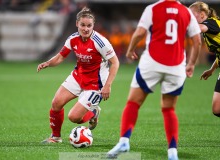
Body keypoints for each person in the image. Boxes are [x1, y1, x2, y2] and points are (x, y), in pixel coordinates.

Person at [107, 0, 202, 160]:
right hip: (177, 66)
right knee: (168, 109)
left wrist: (130, 51)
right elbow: (197, 41)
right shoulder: (186, 12)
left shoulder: (153, 9)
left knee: (133, 102)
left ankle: (124, 141)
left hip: (152, 63)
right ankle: (172, 153)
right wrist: (191, 64)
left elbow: (139, 33)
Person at [37, 7, 119, 143]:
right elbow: (60, 57)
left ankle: (93, 112)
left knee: (74, 118)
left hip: (96, 84)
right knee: (56, 103)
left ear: (93, 25)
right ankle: (55, 137)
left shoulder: (101, 42)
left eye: (89, 26)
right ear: (77, 24)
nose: (86, 29)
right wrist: (48, 63)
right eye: (83, 25)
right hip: (78, 76)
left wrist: (108, 86)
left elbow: (115, 63)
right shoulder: (73, 39)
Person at [189, 1, 220, 118]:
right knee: (217, 109)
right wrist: (211, 70)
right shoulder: (208, 33)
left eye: (192, 15)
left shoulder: (212, 23)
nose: (190, 19)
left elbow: (200, 28)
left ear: (202, 14)